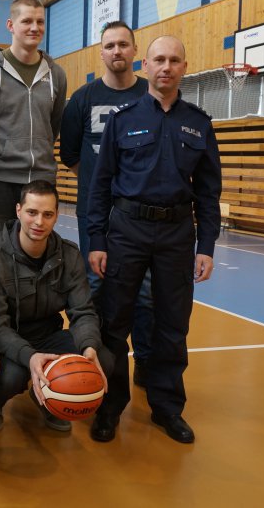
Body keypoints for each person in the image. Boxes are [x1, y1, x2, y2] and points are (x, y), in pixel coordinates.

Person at [86, 35, 222, 444]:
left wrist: (206, 247)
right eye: (159, 59)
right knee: (114, 323)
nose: (166, 67)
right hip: (127, 231)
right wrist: (97, 239)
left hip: (177, 235)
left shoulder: (199, 123)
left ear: (184, 68)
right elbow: (100, 184)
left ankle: (167, 408)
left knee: (172, 325)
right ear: (144, 66)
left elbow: (208, 193)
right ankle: (110, 407)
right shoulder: (122, 119)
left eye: (174, 60)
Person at [59, 20, 154, 387]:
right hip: (96, 213)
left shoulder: (150, 93)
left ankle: (144, 361)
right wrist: (102, 183)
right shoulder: (83, 98)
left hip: (142, 214)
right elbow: (70, 154)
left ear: (135, 51)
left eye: (123, 45)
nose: (117, 51)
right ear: (101, 53)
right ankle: (93, 361)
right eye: (110, 45)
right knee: (95, 287)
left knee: (145, 291)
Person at [0, 180, 107, 433]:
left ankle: (47, 397)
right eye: (32, 212)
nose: (39, 222)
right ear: (18, 211)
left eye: (47, 214)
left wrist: (88, 346)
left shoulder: (69, 255)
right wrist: (29, 356)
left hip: (48, 336)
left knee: (103, 359)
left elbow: (83, 311)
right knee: (12, 377)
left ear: (56, 215)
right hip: (6, 340)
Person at [0, 0, 67, 256]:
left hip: (41, 181)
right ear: (10, 25)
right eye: (27, 21)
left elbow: (53, 125)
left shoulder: (56, 74)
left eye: (40, 22)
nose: (35, 27)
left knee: (35, 257)